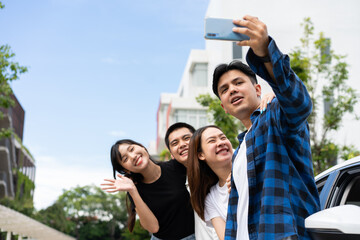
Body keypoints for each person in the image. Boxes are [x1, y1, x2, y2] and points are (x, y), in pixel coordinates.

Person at [212, 15, 321, 240]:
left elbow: (299, 104)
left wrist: (264, 53)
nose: (231, 89)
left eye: (238, 83)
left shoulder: (276, 116)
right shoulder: (240, 150)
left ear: (258, 90)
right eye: (224, 89)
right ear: (224, 107)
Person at [101, 139, 195, 240]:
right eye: (125, 159)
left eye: (132, 149)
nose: (133, 156)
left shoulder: (176, 166)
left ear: (142, 146)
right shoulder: (134, 189)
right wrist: (133, 191)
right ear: (125, 170)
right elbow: (153, 228)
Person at [164, 122, 219, 240]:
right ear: (172, 155)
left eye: (187, 138)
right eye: (175, 143)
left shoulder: (223, 160)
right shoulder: (187, 180)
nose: (182, 144)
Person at [187, 125, 232, 240]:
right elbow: (225, 238)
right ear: (201, 155)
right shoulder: (211, 198)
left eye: (223, 138)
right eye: (212, 141)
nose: (221, 142)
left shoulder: (250, 166)